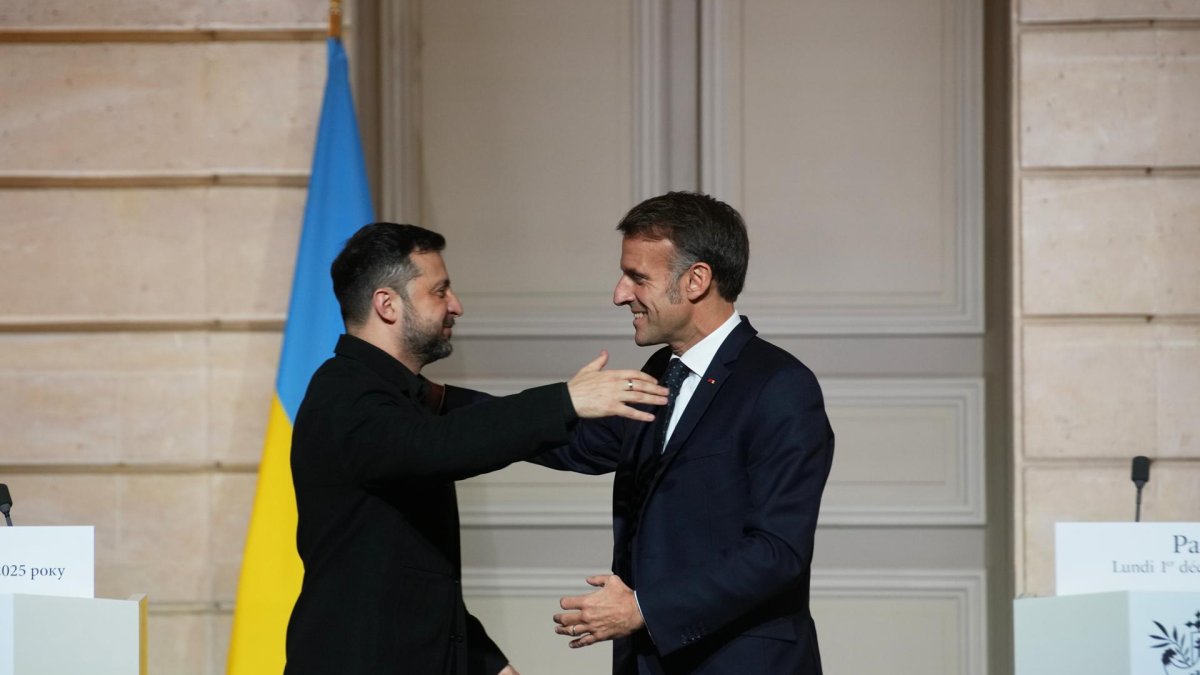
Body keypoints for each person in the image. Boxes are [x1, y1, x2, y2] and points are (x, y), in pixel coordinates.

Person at [284, 222, 668, 675]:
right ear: (387, 305)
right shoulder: (344, 396)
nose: (456, 306)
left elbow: (412, 571)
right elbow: (436, 447)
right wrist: (565, 400)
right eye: (439, 291)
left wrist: (489, 664)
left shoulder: (399, 400)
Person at [539, 192, 835, 674]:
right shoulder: (660, 374)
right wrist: (438, 401)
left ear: (696, 280)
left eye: (637, 277)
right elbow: (570, 441)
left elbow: (777, 552)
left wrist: (644, 609)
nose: (619, 294)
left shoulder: (780, 386)